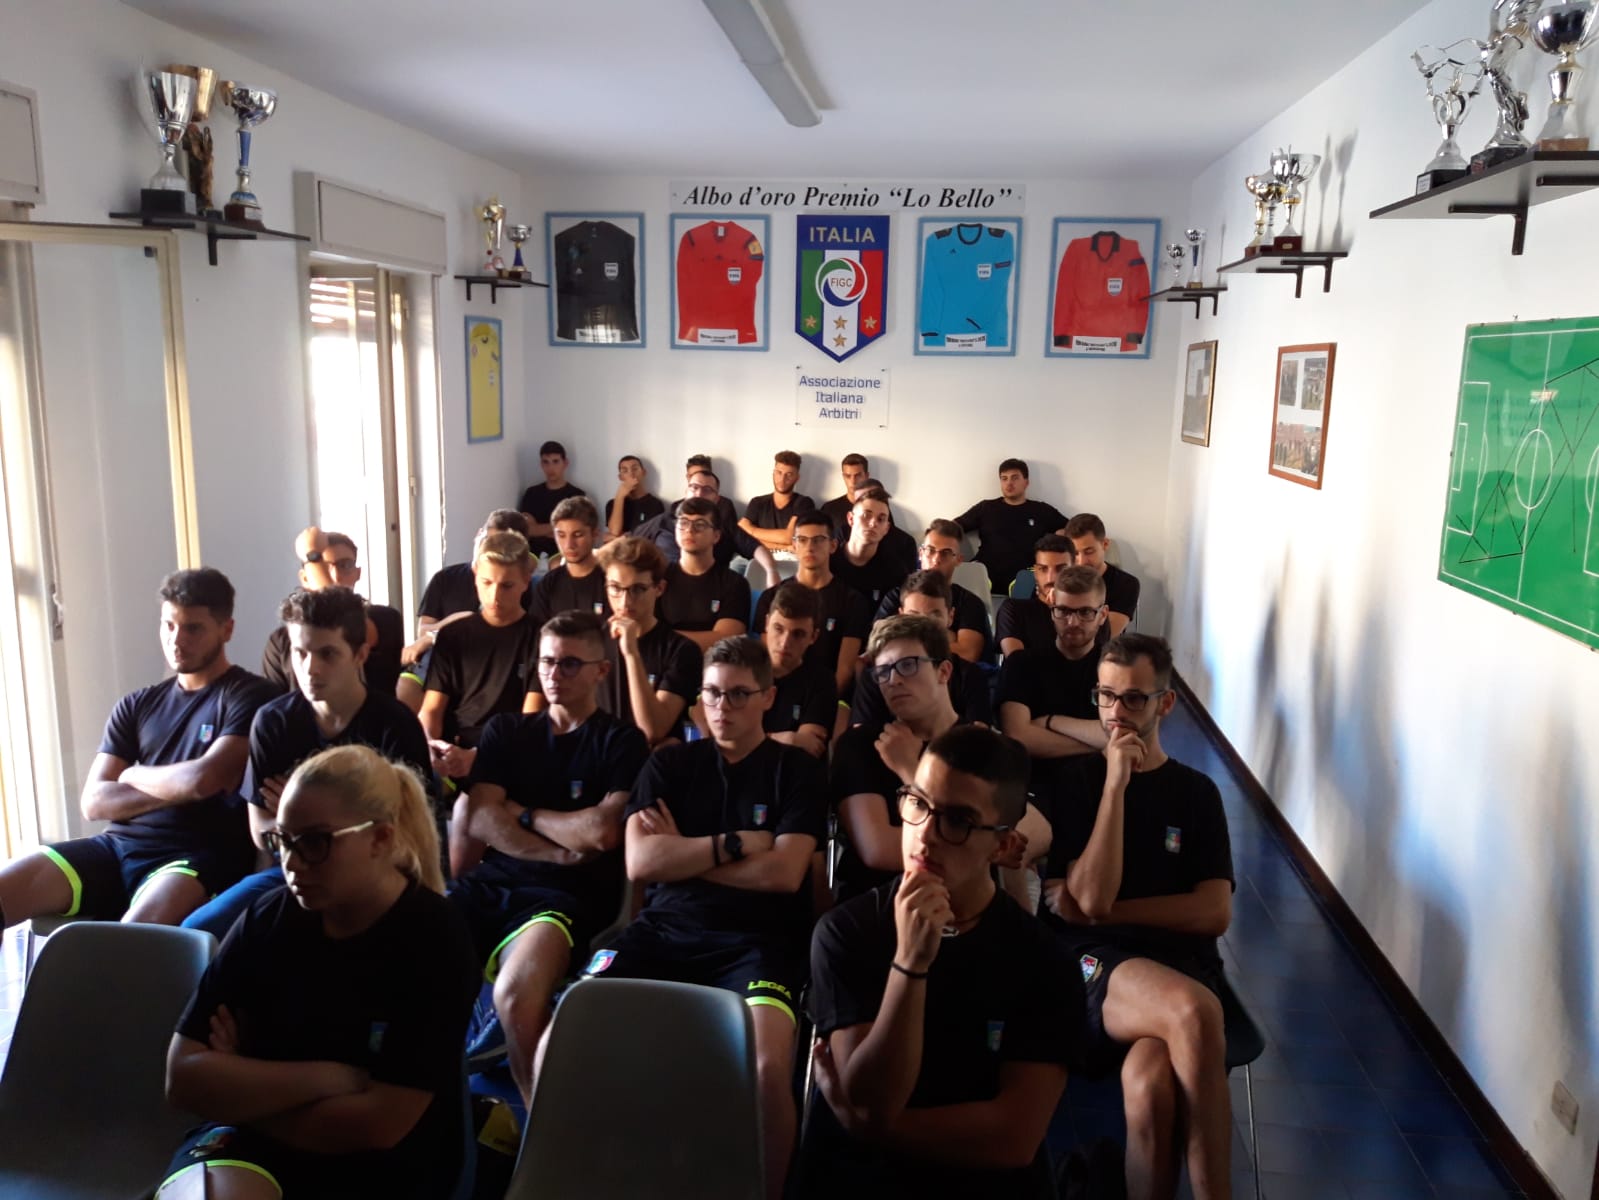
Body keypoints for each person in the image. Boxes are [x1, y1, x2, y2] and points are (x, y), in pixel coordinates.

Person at [156, 745, 478, 1200]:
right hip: (248, 1144)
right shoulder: (267, 918)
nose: (291, 862)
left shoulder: (433, 939)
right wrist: (331, 1078)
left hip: (379, 1165)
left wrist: (242, 1086)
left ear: (380, 839)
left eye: (314, 842)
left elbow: (379, 1124)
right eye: (283, 840)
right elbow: (183, 1079)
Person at [584, 636, 824, 1200]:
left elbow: (784, 874)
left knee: (765, 1070)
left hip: (759, 945)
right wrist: (733, 845)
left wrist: (685, 859)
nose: (722, 707)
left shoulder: (796, 770)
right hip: (662, 932)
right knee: (565, 1034)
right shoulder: (669, 763)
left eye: (738, 694)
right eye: (712, 694)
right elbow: (642, 863)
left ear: (768, 697)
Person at [804, 726, 1081, 1199]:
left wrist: (874, 1129)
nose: (925, 835)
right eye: (917, 802)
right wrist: (909, 965)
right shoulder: (847, 932)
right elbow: (873, 1099)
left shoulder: (1044, 961)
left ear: (1002, 846)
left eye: (958, 820)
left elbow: (1014, 1138)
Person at [1042, 634, 1234, 1200]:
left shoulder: (1198, 793)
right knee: (1195, 1011)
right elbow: (1092, 900)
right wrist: (1116, 785)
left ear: (1164, 704)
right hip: (1093, 965)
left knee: (1150, 1085)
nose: (1115, 713)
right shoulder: (1077, 783)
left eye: (1132, 699)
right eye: (1105, 696)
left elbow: (1214, 912)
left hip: (1177, 964)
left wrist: (1109, 914)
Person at [448, 610, 649, 1106]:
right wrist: (555, 846)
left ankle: (542, 1120)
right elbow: (480, 817)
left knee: (514, 995)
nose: (554, 674)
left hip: (566, 899)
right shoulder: (506, 731)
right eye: (546, 662)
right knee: (408, 966)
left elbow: (602, 832)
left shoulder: (621, 740)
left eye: (569, 664)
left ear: (601, 671)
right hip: (493, 883)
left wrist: (522, 812)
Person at [0, 569, 274, 930]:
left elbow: (203, 779)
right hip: (117, 846)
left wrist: (132, 774)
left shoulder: (251, 696)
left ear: (226, 630)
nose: (176, 640)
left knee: (132, 939)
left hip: (193, 858)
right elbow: (94, 801)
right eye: (168, 626)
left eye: (193, 628)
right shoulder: (137, 704)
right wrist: (178, 788)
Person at [184, 587, 431, 940]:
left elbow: (407, 835)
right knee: (197, 931)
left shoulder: (395, 724)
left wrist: (298, 815)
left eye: (327, 654)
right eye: (300, 653)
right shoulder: (273, 721)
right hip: (290, 874)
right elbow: (260, 829)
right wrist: (339, 828)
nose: (310, 668)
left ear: (360, 654)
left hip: (377, 878)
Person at [831, 615, 1045, 906]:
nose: (893, 680)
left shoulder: (991, 748)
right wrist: (984, 849)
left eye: (907, 665)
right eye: (883, 672)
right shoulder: (861, 746)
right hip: (881, 904)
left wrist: (910, 770)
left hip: (971, 908)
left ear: (943, 671)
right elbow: (877, 850)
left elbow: (1023, 841)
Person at [419, 531, 539, 783]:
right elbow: (432, 709)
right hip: (453, 751)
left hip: (511, 753)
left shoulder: (541, 637)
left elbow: (530, 721)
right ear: (475, 576)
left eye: (506, 586)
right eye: (486, 582)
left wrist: (479, 757)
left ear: (526, 581)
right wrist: (430, 744)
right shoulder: (452, 635)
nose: (495, 596)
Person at [400, 509, 534, 709]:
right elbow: (424, 630)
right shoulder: (446, 578)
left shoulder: (525, 591)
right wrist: (455, 621)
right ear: (479, 534)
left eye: (502, 546)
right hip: (439, 653)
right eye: (488, 540)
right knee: (406, 690)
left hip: (492, 659)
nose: (494, 594)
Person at [261, 527, 404, 701]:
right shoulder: (280, 642)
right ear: (305, 578)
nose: (336, 576)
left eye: (345, 565)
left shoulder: (384, 619)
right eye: (323, 566)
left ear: (357, 573)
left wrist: (313, 554)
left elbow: (342, 620)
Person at [996, 565, 1112, 765]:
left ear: (1103, 615)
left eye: (1085, 612)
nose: (1073, 622)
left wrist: (1051, 722)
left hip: (1102, 778)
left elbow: (1123, 732)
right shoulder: (1021, 664)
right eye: (1063, 611)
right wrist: (1100, 744)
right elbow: (1018, 737)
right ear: (1052, 610)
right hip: (1035, 779)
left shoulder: (1115, 670)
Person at [751, 515, 871, 707]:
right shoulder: (771, 597)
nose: (810, 547)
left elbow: (845, 670)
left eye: (818, 540)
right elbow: (769, 662)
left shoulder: (853, 601)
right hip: (776, 698)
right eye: (802, 540)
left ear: (833, 545)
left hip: (828, 699)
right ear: (794, 545)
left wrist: (818, 708)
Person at [594, 535, 701, 745]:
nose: (625, 601)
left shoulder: (681, 650)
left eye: (638, 589)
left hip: (649, 759)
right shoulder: (591, 641)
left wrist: (632, 654)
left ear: (659, 588)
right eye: (615, 588)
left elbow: (652, 730)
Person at [852, 571, 992, 729]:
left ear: (950, 617)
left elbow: (979, 739)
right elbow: (859, 737)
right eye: (914, 615)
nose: (923, 625)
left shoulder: (970, 675)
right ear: (901, 615)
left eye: (934, 616)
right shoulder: (878, 675)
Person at [874, 519, 992, 663]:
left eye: (946, 553)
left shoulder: (970, 603)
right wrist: (946, 637)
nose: (936, 559)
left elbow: (967, 654)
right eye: (930, 550)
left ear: (959, 560)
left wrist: (906, 637)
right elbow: (879, 644)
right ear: (920, 553)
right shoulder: (895, 596)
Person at [955, 459, 1068, 595]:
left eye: (1015, 478)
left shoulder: (1041, 510)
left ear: (1026, 482)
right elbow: (954, 527)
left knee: (1032, 576)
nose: (1009, 483)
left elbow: (1073, 530)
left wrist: (1060, 539)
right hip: (986, 569)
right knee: (965, 576)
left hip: (1024, 573)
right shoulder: (986, 508)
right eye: (1004, 478)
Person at [659, 496, 751, 651]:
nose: (689, 530)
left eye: (700, 524)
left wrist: (663, 637)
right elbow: (644, 629)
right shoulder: (659, 577)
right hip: (663, 662)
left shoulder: (734, 583)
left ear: (716, 536)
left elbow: (727, 641)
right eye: (683, 523)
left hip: (713, 663)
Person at [756, 582, 835, 759]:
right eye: (778, 629)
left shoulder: (822, 681)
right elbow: (728, 740)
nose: (785, 643)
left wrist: (752, 741)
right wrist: (789, 738)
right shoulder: (742, 669)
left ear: (813, 636)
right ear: (767, 623)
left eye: (797, 634)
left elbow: (808, 750)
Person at [830, 486, 918, 610]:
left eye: (881, 519)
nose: (873, 523)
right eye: (866, 515)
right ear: (851, 519)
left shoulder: (894, 571)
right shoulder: (828, 561)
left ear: (886, 528)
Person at [529, 496, 608, 624]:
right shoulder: (548, 584)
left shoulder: (610, 581)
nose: (569, 545)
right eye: (561, 535)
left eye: (578, 535)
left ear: (594, 534)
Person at [994, 534, 1076, 657]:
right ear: (1035, 572)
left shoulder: (1087, 613)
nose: (1051, 578)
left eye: (1061, 569)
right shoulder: (1014, 610)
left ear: (1075, 570)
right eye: (1043, 569)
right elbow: (1016, 662)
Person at [1064, 512, 1141, 636]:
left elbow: (1106, 636)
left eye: (1089, 551)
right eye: (1075, 553)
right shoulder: (1059, 579)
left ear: (1105, 544)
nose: (1081, 561)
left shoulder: (1126, 584)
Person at [738, 450, 817, 554]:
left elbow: (788, 537)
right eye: (779, 472)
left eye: (789, 474)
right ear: (773, 473)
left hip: (791, 559)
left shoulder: (804, 503)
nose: (782, 479)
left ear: (797, 478)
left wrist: (752, 531)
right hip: (759, 557)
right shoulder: (757, 502)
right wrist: (784, 547)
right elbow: (742, 534)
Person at [518, 440, 585, 559]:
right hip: (532, 554)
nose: (550, 468)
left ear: (565, 463)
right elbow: (528, 530)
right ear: (541, 464)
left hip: (563, 553)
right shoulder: (531, 493)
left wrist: (540, 528)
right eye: (546, 462)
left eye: (555, 461)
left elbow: (576, 531)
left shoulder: (576, 496)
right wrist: (561, 528)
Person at [605, 454, 665, 538]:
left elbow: (648, 536)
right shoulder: (612, 504)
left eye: (635, 469)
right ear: (620, 477)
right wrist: (619, 496)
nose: (631, 474)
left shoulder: (655, 504)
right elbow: (615, 532)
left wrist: (621, 538)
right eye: (625, 471)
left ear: (643, 472)